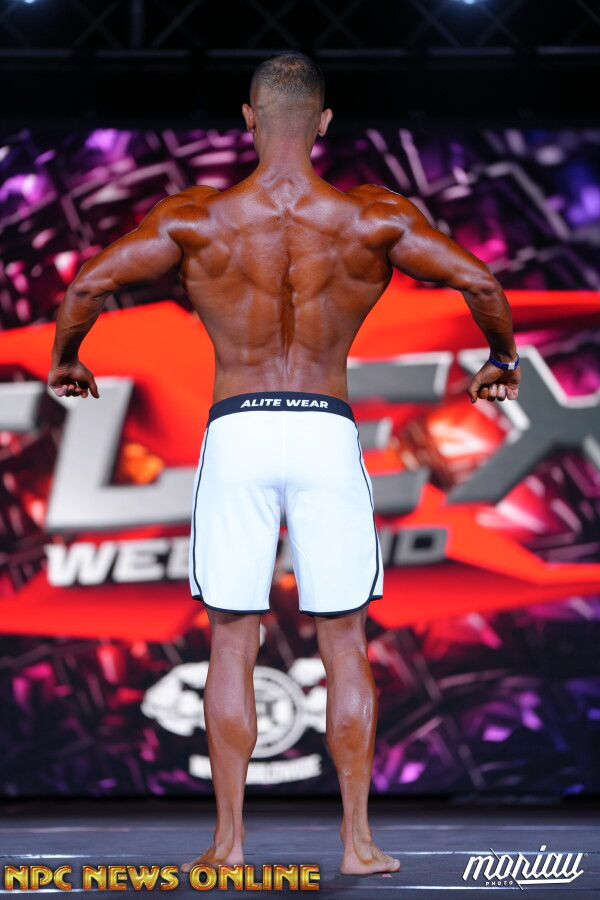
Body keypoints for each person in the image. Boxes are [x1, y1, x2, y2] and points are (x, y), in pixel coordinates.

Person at [48, 52, 521, 877]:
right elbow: (480, 283)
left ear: (247, 120)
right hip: (323, 434)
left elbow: (88, 284)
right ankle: (358, 844)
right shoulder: (371, 216)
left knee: (233, 640)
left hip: (238, 432)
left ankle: (229, 844)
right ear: (325, 122)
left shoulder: (198, 217)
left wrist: (67, 360)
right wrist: (501, 360)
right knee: (345, 641)